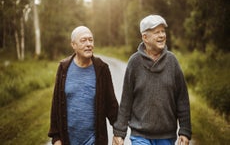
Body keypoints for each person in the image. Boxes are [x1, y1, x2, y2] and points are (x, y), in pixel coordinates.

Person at [112, 15, 192, 145]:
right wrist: (119, 132)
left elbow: (182, 99)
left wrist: (185, 131)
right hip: (140, 135)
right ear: (145, 38)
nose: (162, 35)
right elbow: (126, 100)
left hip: (166, 136)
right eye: (156, 32)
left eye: (163, 31)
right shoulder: (134, 62)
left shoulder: (172, 62)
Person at [48, 26, 119, 145]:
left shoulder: (102, 68)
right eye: (83, 40)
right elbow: (56, 104)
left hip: (95, 141)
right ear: (73, 45)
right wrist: (56, 137)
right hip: (68, 141)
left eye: (91, 40)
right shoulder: (63, 68)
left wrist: (118, 133)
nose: (88, 44)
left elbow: (111, 105)